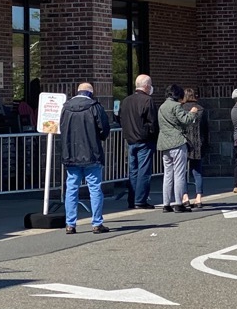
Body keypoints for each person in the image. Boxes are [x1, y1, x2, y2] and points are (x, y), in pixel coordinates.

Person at [60, 82, 112, 234]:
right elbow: (103, 129)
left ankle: (70, 224)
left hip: (71, 153)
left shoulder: (66, 107)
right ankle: (97, 223)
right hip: (91, 153)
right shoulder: (94, 106)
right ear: (91, 93)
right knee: (95, 188)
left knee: (71, 189)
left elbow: (61, 128)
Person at [118, 74, 158, 210]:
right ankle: (140, 200)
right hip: (144, 140)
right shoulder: (147, 100)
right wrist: (152, 135)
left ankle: (132, 199)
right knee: (144, 171)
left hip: (130, 140)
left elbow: (120, 118)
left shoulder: (126, 100)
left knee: (133, 171)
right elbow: (152, 122)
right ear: (147, 86)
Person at [158, 84, 200, 212]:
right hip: (177, 142)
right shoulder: (176, 106)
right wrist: (192, 113)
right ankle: (178, 203)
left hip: (164, 143)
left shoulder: (161, 107)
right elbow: (185, 120)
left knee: (168, 174)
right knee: (179, 174)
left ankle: (166, 204)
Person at [183, 87, 209, 207]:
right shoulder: (201, 109)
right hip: (198, 142)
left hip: (185, 142)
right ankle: (198, 198)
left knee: (181, 172)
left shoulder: (181, 109)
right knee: (197, 171)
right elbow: (205, 128)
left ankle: (185, 197)